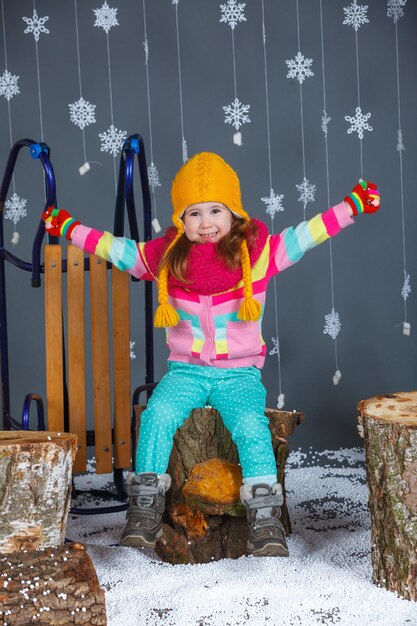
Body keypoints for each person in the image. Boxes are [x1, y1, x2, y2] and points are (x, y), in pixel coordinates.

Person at [42, 152, 380, 557]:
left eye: (216, 210)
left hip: (238, 374)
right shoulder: (165, 258)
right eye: (195, 213)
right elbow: (115, 248)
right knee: (157, 415)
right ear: (180, 221)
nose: (206, 223)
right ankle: (146, 505)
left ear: (234, 214)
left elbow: (306, 234)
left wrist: (351, 206)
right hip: (185, 372)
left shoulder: (257, 255)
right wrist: (69, 227)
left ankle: (263, 516)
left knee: (251, 427)